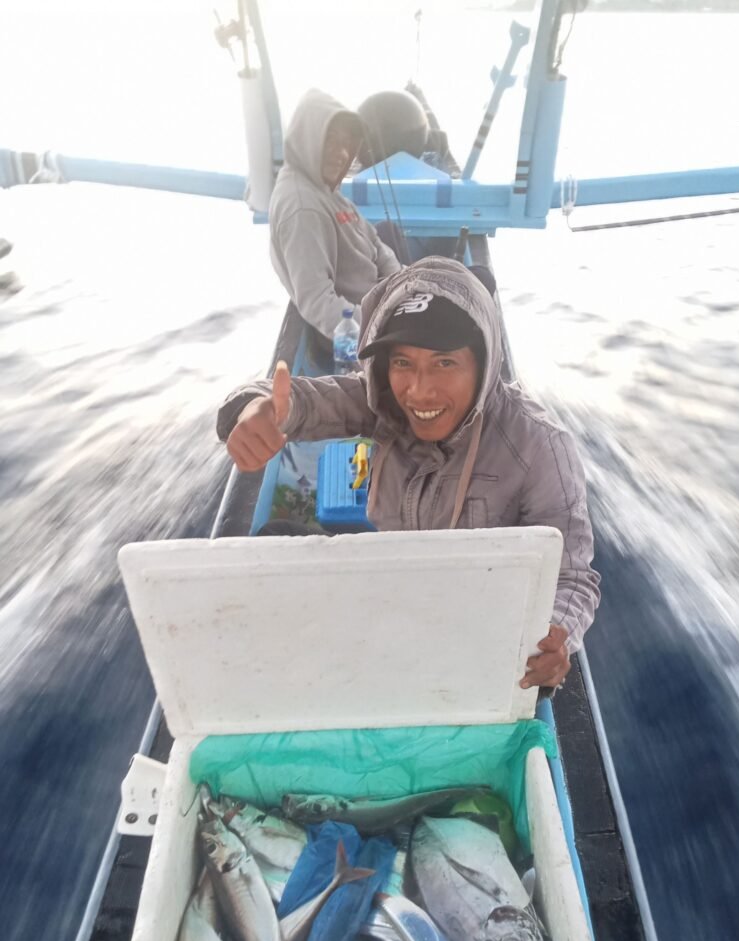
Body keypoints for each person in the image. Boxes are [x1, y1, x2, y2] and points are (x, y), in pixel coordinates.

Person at [217, 257, 600, 690]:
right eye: (402, 363)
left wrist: (552, 638)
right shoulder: (383, 401)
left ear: (483, 364)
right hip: (395, 590)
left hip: (476, 633)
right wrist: (254, 410)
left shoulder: (540, 445)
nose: (418, 391)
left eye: (444, 363)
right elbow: (301, 401)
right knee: (274, 541)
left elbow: (572, 578)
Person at [269, 89, 401, 343]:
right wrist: (388, 325)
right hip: (355, 326)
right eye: (330, 141)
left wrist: (400, 285)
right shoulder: (303, 209)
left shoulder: (321, 184)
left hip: (377, 297)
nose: (341, 154)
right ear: (308, 139)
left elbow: (375, 241)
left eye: (346, 144)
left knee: (388, 230)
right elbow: (318, 302)